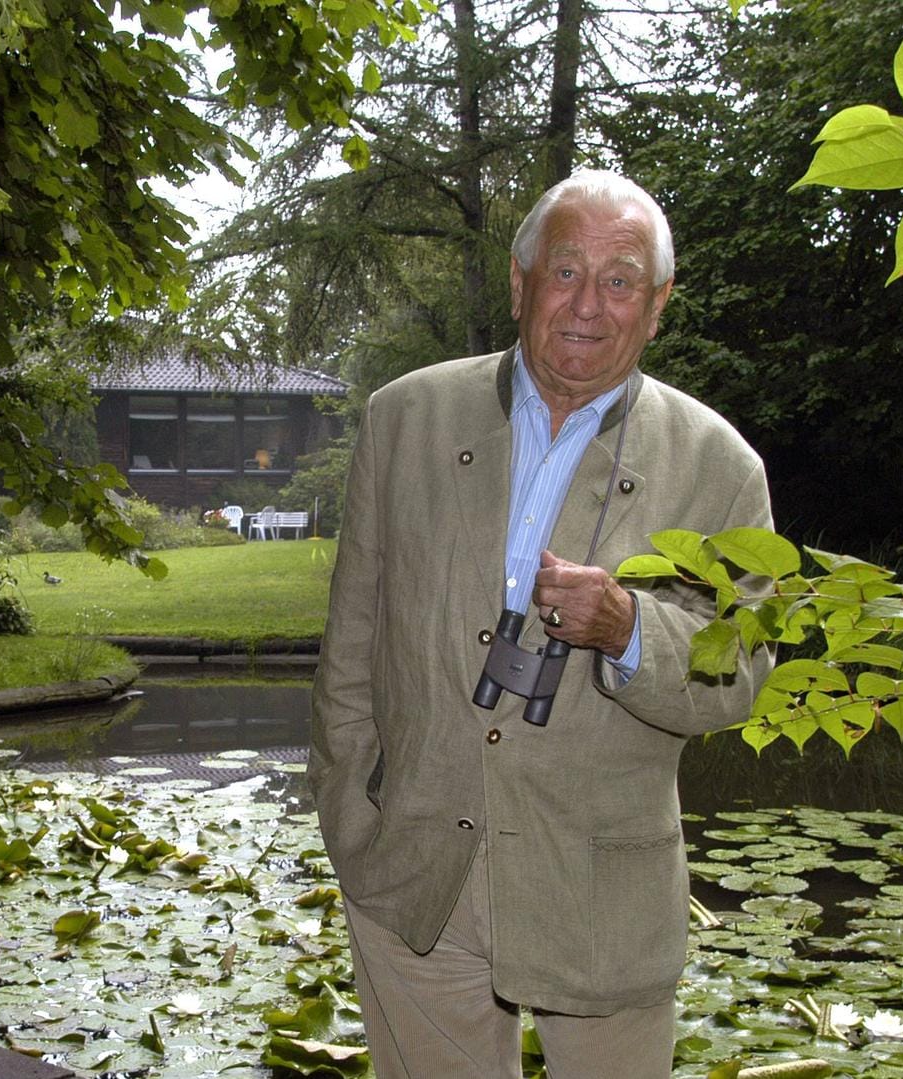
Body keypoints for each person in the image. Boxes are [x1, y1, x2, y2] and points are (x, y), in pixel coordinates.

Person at [310, 171, 774, 1077]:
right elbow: (352, 649)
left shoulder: (720, 466)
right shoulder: (404, 418)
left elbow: (742, 674)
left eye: (620, 279)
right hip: (412, 873)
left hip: (605, 893)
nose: (587, 306)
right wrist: (350, 813)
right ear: (521, 281)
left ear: (658, 303)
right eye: (566, 272)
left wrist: (629, 626)